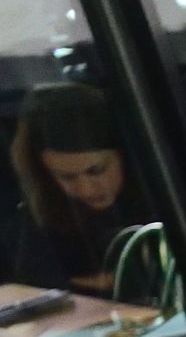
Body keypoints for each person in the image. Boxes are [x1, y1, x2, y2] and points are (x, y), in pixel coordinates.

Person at [6, 81, 152, 294]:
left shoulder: (159, 192)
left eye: (96, 171)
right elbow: (33, 288)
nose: (86, 189)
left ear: (124, 156)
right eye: (66, 177)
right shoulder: (40, 213)